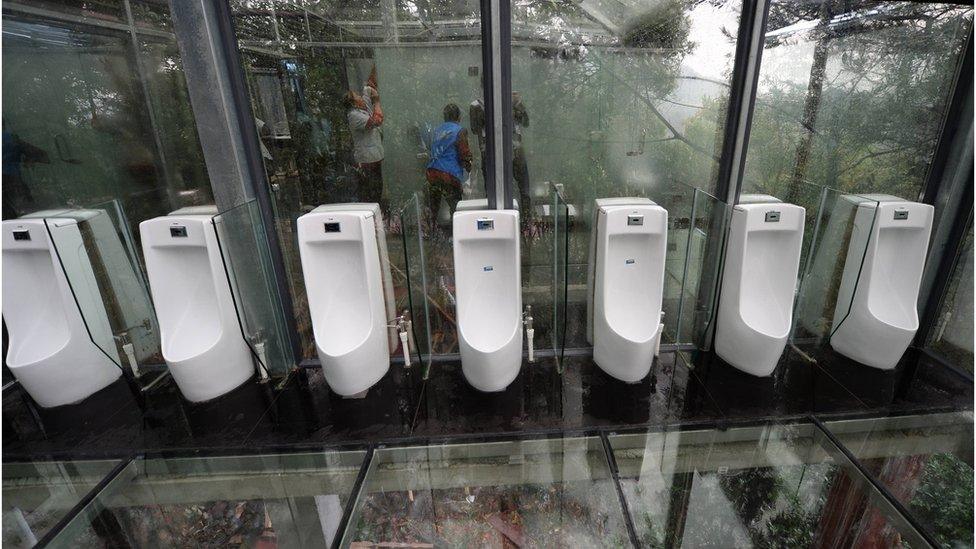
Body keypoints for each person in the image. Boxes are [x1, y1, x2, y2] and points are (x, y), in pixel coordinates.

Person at [345, 70, 385, 210]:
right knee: (371, 193)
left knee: (377, 189)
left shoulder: (363, 109)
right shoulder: (354, 115)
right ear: (354, 103)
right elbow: (377, 120)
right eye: (357, 96)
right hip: (367, 161)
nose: (361, 97)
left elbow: (370, 86)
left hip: (375, 157)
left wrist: (375, 70)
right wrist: (377, 101)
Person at [425, 103, 472, 220]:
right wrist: (468, 164)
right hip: (449, 175)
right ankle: (455, 233)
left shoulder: (436, 131)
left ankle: (432, 233)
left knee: (433, 208)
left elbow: (432, 149)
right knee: (455, 208)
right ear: (459, 117)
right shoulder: (460, 131)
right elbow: (464, 152)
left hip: (432, 173)